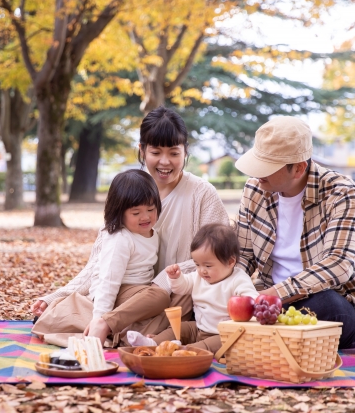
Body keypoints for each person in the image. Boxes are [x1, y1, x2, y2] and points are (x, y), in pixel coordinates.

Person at [31, 107, 229, 345]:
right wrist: (57, 295)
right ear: (142, 150)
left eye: (174, 153)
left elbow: (217, 255)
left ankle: (116, 331)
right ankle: (120, 331)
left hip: (173, 294)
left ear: (185, 151)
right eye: (156, 152)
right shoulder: (128, 192)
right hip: (127, 296)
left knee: (186, 296)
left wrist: (165, 282)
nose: (165, 162)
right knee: (97, 302)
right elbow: (101, 265)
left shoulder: (202, 194)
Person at [233, 116, 355, 349]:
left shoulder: (342, 193)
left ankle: (264, 333)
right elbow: (243, 255)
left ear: (298, 168)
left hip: (329, 301)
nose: (258, 174)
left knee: (326, 305)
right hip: (268, 300)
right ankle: (272, 333)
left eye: (267, 166)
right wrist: (229, 287)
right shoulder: (254, 190)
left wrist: (273, 295)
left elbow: (339, 264)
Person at [31, 169, 169, 345]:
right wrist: (99, 320)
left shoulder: (152, 233)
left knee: (176, 303)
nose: (145, 217)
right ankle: (105, 326)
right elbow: (108, 280)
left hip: (137, 294)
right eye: (136, 213)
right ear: (119, 212)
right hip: (118, 291)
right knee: (160, 296)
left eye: (151, 209)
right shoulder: (120, 237)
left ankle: (136, 337)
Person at [128, 223, 259, 354]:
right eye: (197, 264)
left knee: (212, 344)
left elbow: (252, 299)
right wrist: (176, 278)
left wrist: (256, 303)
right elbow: (182, 287)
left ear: (230, 262)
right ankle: (153, 343)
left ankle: (185, 351)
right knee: (180, 328)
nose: (202, 271)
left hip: (223, 334)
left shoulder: (238, 279)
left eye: (208, 266)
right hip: (199, 328)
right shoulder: (199, 276)